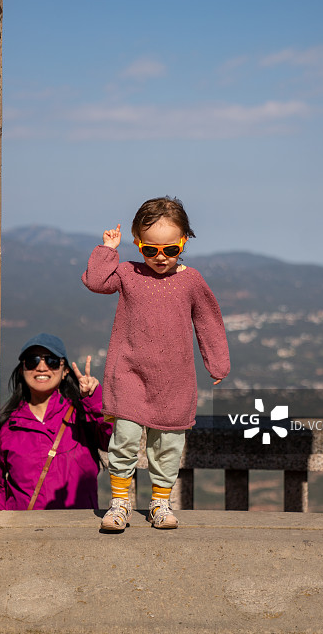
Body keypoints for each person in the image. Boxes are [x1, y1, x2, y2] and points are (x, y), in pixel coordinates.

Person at [82, 196, 230, 530]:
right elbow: (95, 281)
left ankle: (160, 504)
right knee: (124, 441)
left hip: (176, 381)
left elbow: (208, 320)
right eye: (150, 249)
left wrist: (217, 364)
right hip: (129, 374)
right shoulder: (126, 273)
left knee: (168, 446)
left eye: (170, 249)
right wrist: (107, 250)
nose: (160, 257)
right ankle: (119, 504)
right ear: (137, 242)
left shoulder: (191, 280)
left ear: (183, 243)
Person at [0, 333, 112, 510]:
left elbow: (113, 440)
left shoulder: (81, 417)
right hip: (22, 532)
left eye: (51, 361)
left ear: (65, 370)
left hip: (77, 529)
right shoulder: (8, 426)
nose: (41, 367)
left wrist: (93, 398)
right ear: (22, 369)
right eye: (32, 361)